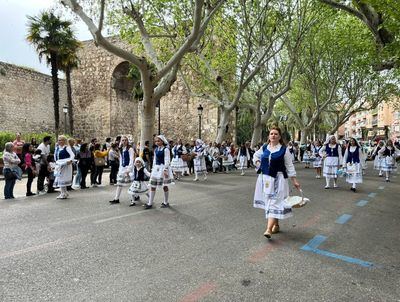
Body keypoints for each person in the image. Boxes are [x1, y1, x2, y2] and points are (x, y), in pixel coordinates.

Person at [253, 127, 300, 239]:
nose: (273, 135)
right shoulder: (264, 147)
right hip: (265, 179)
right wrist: (258, 163)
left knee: (274, 202)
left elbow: (289, 165)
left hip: (279, 180)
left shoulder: (284, 149)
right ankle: (276, 224)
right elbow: (255, 156)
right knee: (271, 202)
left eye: (276, 134)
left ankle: (268, 229)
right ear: (269, 136)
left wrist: (294, 181)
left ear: (279, 137)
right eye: (271, 134)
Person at [144, 135, 174, 209]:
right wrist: (153, 168)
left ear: (162, 141)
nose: (157, 142)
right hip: (156, 169)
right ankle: (150, 203)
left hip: (162, 168)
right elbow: (154, 160)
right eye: (156, 141)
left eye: (158, 141)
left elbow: (167, 160)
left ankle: (165, 202)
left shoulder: (166, 149)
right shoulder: (156, 149)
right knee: (152, 185)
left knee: (165, 186)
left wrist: (165, 170)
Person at [109, 136, 135, 204]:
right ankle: (116, 198)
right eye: (123, 140)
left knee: (131, 184)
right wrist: (120, 168)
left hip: (128, 168)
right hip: (122, 168)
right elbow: (120, 159)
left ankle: (134, 197)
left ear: (127, 141)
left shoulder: (130, 149)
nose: (124, 142)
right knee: (119, 183)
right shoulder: (120, 149)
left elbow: (131, 159)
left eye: (125, 140)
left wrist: (129, 169)